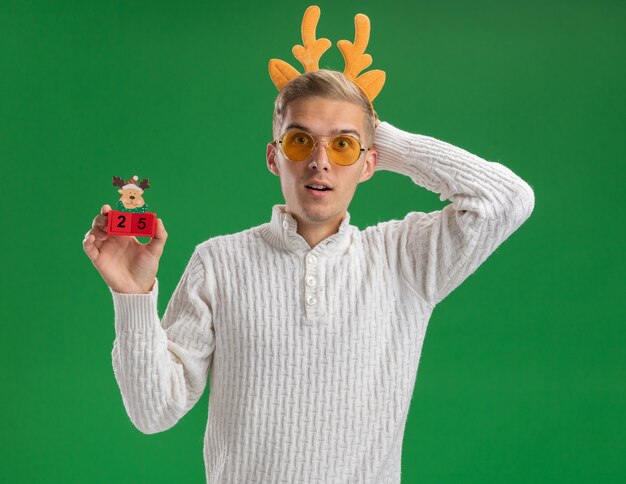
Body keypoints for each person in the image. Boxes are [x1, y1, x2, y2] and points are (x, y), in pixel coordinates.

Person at [83, 9, 535, 484]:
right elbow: (154, 411)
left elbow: (507, 200)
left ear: (369, 164)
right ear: (274, 157)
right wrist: (133, 299)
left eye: (341, 147)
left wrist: (376, 134)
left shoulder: (405, 259)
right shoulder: (218, 262)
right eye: (301, 141)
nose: (321, 162)